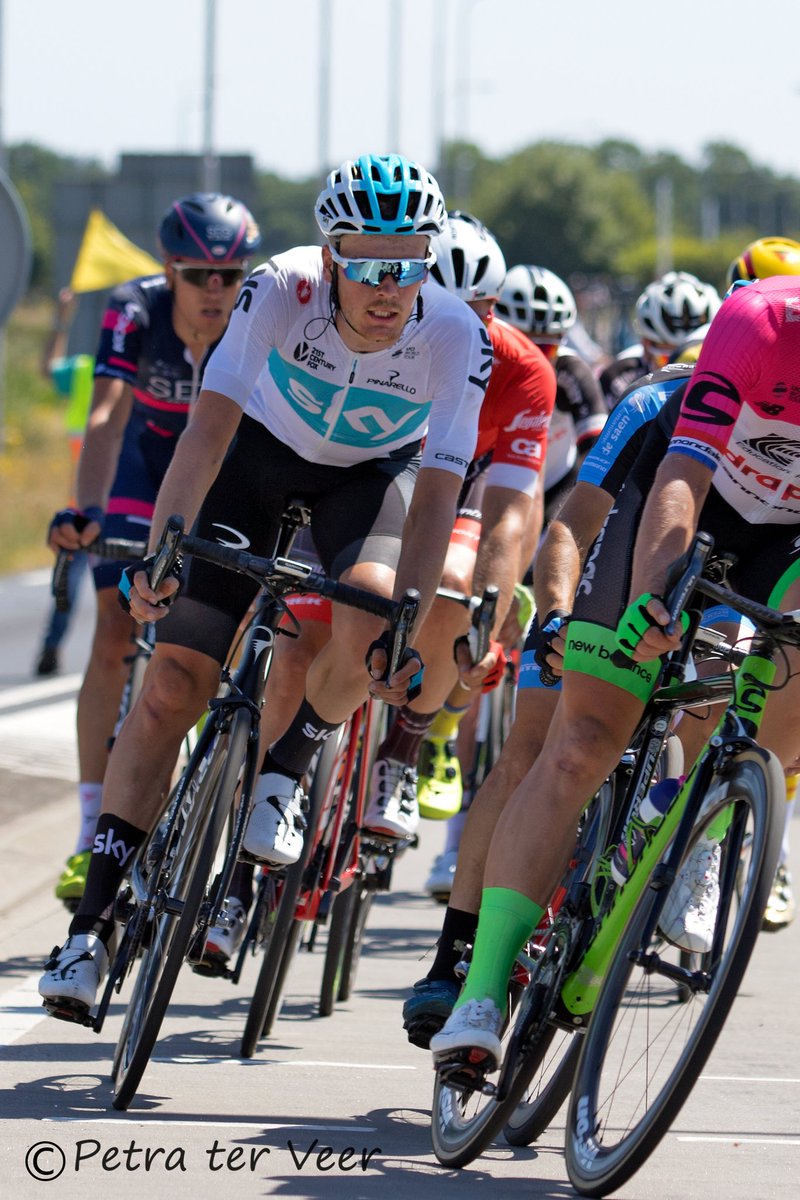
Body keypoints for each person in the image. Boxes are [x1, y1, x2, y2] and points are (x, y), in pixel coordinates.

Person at [38, 153, 492, 1019]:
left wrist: (408, 615)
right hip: (254, 461)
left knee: (371, 616)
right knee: (173, 683)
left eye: (408, 262)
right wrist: (165, 552)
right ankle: (91, 930)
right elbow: (206, 432)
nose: (389, 285)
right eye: (367, 264)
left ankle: (287, 765)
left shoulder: (453, 333)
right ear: (330, 260)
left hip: (369, 480)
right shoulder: (278, 290)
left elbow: (438, 486)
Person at [429, 274, 800, 1066]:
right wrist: (649, 599)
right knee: (581, 742)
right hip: (680, 508)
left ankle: (708, 817)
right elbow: (673, 482)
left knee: (776, 684)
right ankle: (481, 989)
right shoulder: (756, 323)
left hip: (786, 541)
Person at [403, 360, 695, 1044]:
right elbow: (568, 528)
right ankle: (458, 966)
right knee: (543, 751)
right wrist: (556, 615)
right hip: (616, 562)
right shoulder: (657, 401)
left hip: (729, 575)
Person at [46, 193, 261, 910]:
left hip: (220, 473)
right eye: (200, 273)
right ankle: (89, 832)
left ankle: (180, 795)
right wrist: (84, 508)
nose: (215, 291)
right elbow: (106, 417)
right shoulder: (132, 309)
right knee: (114, 628)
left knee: (208, 647)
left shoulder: (257, 316)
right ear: (170, 268)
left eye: (230, 276)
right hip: (143, 467)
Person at [363, 212, 556, 839]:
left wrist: (488, 623)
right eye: (449, 310)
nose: (468, 330)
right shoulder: (375, 337)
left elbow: (510, 517)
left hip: (466, 482)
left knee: (453, 579)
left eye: (485, 312)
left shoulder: (524, 369)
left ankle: (407, 746)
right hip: (379, 467)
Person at [495, 264, 608, 520]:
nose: (534, 361)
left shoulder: (570, 369)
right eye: (522, 346)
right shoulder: (481, 363)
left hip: (558, 484)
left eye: (546, 348)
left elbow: (597, 448)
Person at [34, 288, 94, 676]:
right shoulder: (84, 372)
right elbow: (47, 368)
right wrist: (61, 318)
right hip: (80, 507)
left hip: (126, 505)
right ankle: (51, 649)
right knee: (65, 589)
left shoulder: (147, 374)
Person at [599, 271, 720, 410]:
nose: (683, 373)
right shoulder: (619, 376)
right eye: (668, 361)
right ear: (646, 346)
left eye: (694, 361)